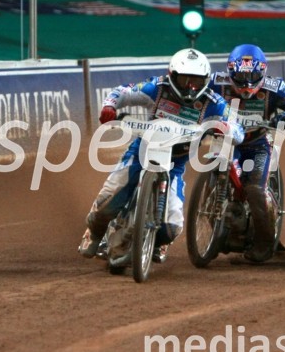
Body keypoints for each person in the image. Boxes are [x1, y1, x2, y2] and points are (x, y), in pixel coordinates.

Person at [78, 48, 244, 264]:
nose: (190, 88)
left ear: (205, 80)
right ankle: (95, 233)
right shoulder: (157, 87)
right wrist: (110, 106)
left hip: (175, 165)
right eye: (185, 80)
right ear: (173, 75)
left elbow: (237, 127)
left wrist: (225, 128)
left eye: (196, 82)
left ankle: (157, 240)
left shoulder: (214, 101)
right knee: (107, 200)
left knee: (173, 227)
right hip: (141, 152)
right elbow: (123, 91)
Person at [209, 44, 285, 263]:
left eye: (253, 76)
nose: (247, 84)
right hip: (226, 140)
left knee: (255, 189)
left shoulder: (276, 87)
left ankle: (265, 243)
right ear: (230, 72)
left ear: (263, 73)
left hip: (258, 143)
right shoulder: (215, 81)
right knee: (213, 164)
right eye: (241, 77)